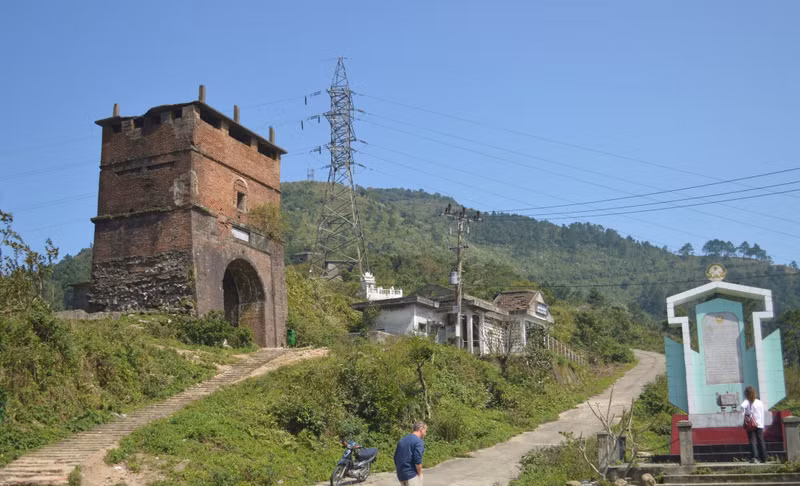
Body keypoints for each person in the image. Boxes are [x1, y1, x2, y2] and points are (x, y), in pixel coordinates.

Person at [394, 421, 427, 485]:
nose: (426, 433)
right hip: (412, 476)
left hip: (401, 475)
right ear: (421, 430)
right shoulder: (418, 441)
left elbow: (395, 458)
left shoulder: (402, 440)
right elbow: (417, 459)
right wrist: (420, 474)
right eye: (426, 431)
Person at [741, 385, 767, 463]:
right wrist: (763, 424)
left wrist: (745, 416)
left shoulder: (746, 401)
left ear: (746, 394)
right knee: (760, 440)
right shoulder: (759, 402)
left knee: (752, 440)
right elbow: (762, 413)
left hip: (750, 423)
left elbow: (742, 408)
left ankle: (754, 457)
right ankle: (763, 458)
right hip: (759, 423)